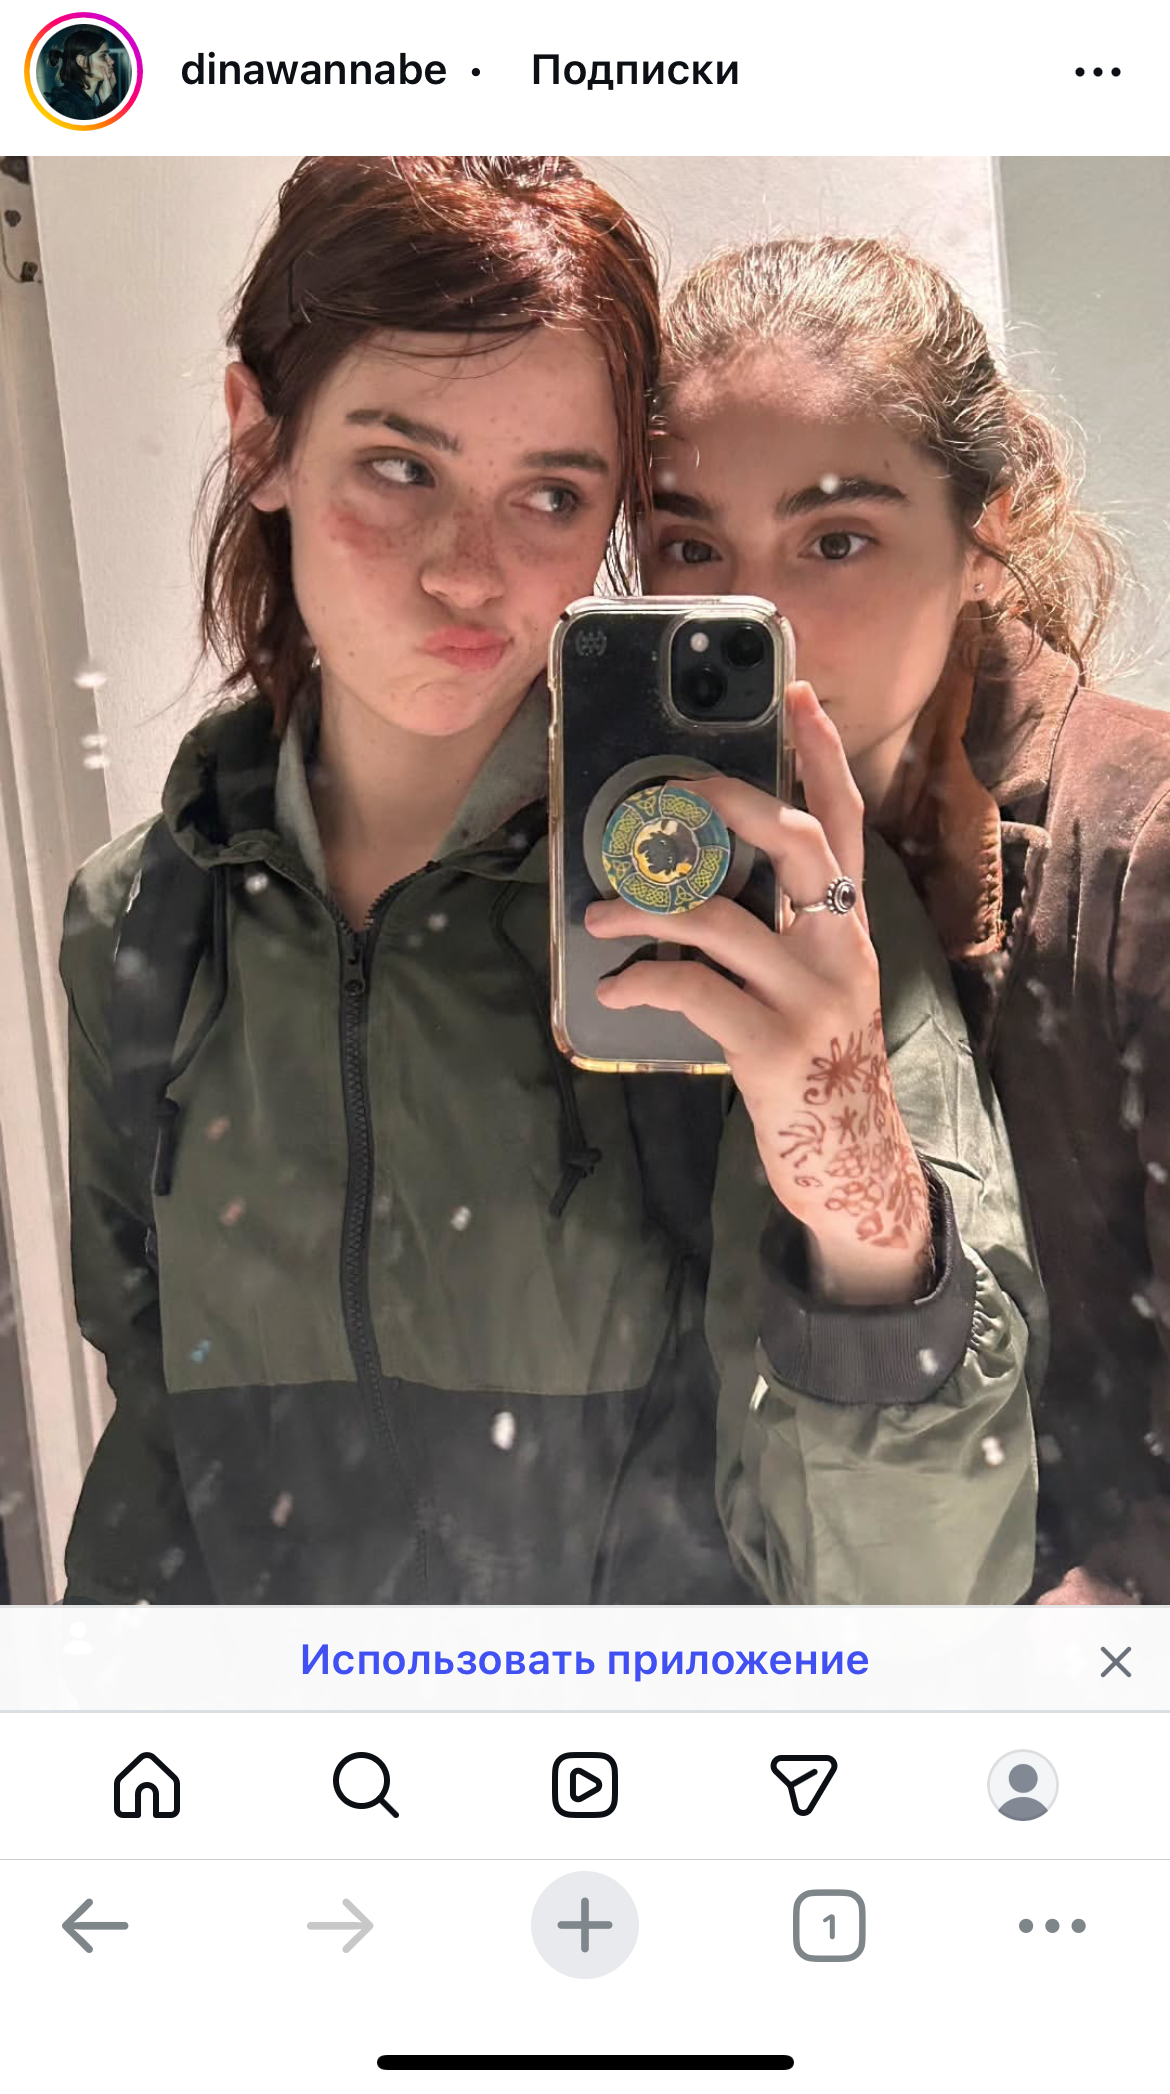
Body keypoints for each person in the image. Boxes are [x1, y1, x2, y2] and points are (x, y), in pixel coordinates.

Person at [58, 158, 1038, 1608]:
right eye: (402, 468)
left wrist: (861, 1204)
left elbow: (920, 1602)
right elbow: (155, 1454)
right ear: (261, 440)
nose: (469, 573)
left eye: (552, 494)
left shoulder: (760, 894)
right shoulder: (141, 922)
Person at [647, 231, 1170, 1602]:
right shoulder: (646, 859)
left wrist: (1115, 1605)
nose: (750, 615)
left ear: (990, 531)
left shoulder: (1140, 854)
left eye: (836, 539)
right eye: (690, 544)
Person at [42, 26, 121, 121]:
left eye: (108, 55)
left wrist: (107, 100)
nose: (111, 61)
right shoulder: (66, 108)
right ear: (82, 61)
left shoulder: (96, 101)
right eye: (103, 56)